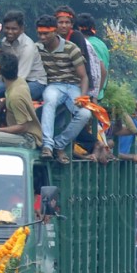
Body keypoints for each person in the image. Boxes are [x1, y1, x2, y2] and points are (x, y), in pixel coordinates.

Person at [34, 14, 91, 165]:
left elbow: (84, 77)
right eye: (40, 33)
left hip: (73, 86)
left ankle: (58, 144)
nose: (43, 37)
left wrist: (83, 98)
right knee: (50, 101)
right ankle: (47, 145)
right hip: (53, 85)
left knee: (85, 114)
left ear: (55, 32)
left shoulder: (71, 48)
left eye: (46, 33)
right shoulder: (37, 48)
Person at [0, 51, 42, 149]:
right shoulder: (18, 81)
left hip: (28, 138)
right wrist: (1, 105)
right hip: (18, 132)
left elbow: (23, 127)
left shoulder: (16, 96)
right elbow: (9, 97)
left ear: (0, 72)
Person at [0, 10, 46, 102]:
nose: (10, 32)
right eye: (7, 28)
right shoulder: (5, 42)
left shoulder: (27, 47)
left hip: (34, 83)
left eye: (14, 29)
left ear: (21, 29)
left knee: (15, 94)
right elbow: (3, 68)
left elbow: (20, 78)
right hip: (12, 81)